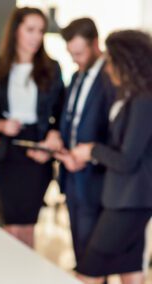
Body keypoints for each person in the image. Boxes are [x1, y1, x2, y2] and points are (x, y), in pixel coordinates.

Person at [71, 30, 152, 284]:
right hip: (125, 199)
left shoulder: (144, 101)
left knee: (88, 270)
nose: (107, 68)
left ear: (127, 62)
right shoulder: (131, 96)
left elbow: (127, 160)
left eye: (111, 61)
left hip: (130, 201)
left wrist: (91, 150)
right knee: (130, 268)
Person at [0, 7, 65, 247]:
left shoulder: (52, 68)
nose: (36, 37)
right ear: (16, 30)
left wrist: (52, 136)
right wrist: (0, 124)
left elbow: (61, 113)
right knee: (10, 224)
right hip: (8, 150)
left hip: (38, 151)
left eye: (40, 31)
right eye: (30, 29)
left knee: (28, 225)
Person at [53, 18, 115, 265]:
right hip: (72, 179)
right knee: (80, 250)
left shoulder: (112, 78)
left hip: (97, 179)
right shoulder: (77, 76)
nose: (74, 59)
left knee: (95, 258)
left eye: (79, 53)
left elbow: (117, 132)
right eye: (71, 53)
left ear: (95, 44)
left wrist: (89, 155)